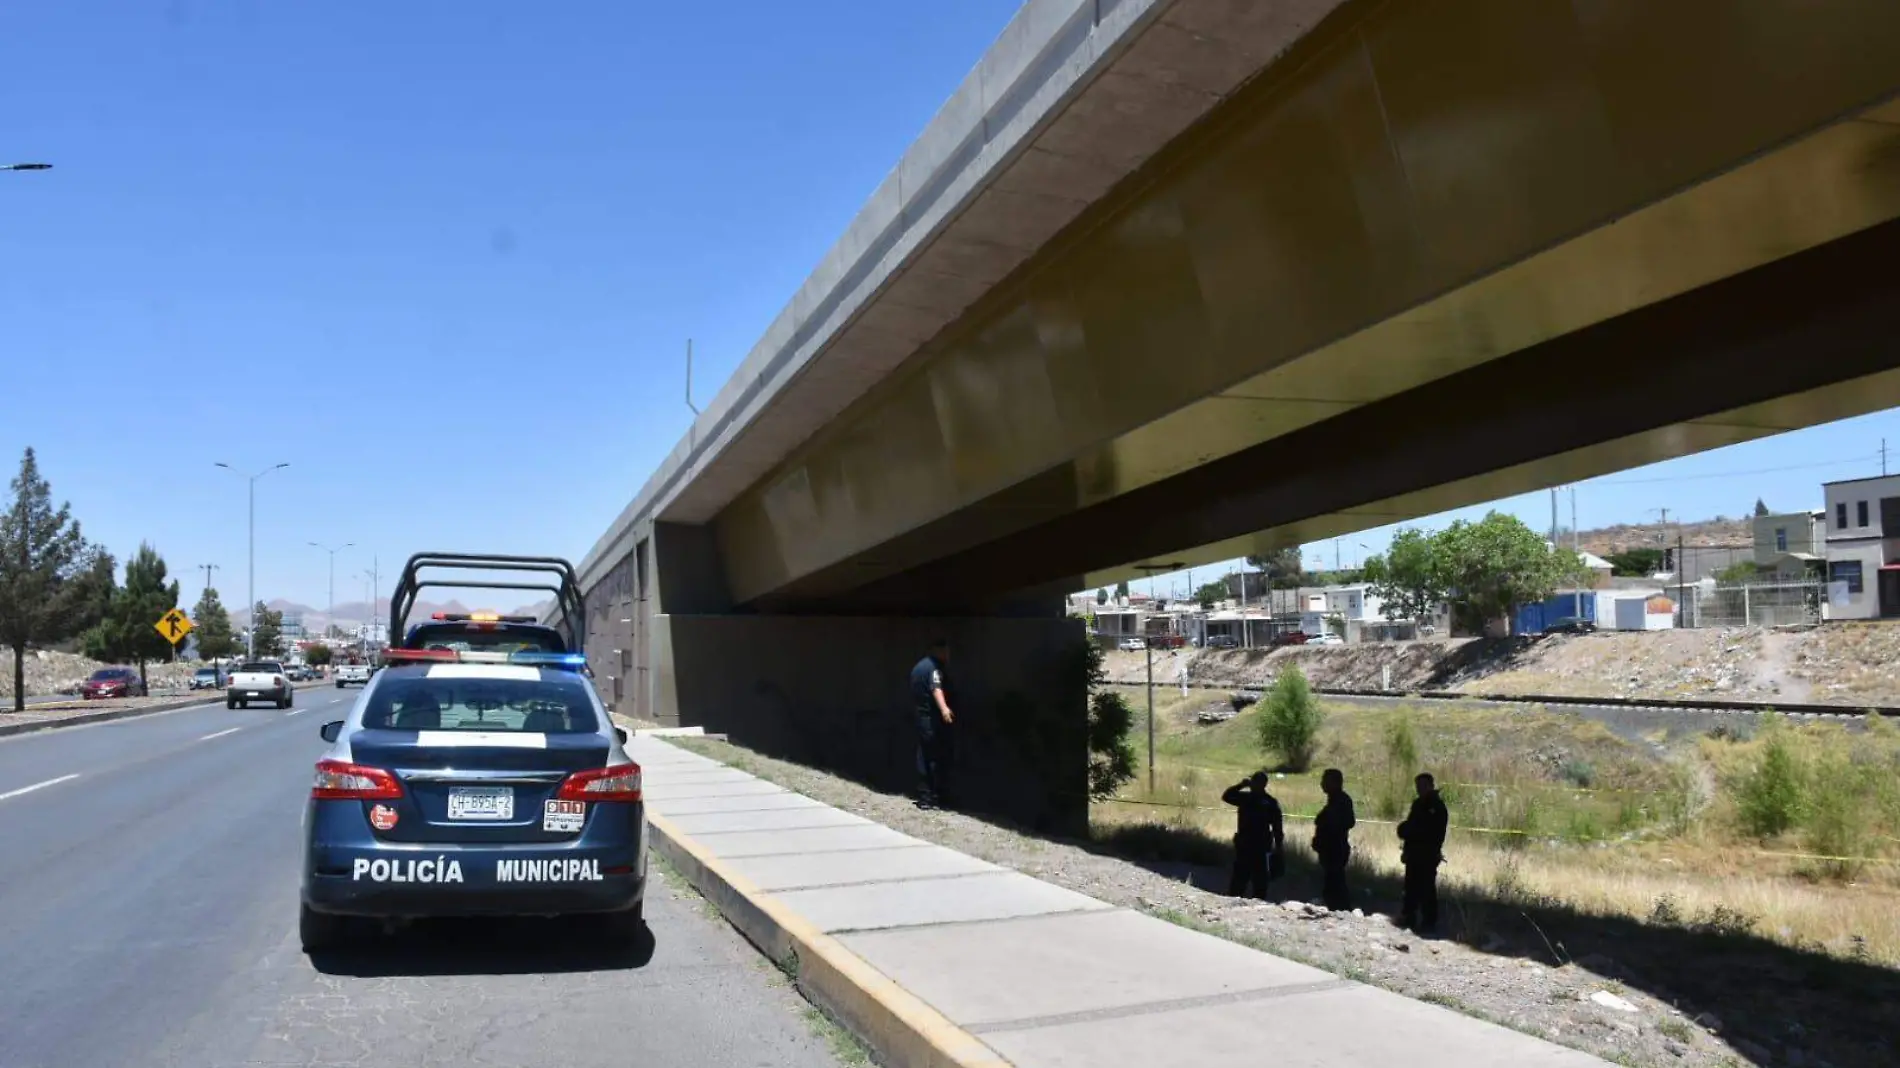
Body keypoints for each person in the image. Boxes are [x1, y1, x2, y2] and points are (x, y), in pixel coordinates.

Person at [1397, 772, 1449, 934]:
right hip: (1414, 853)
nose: (1420, 789)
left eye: (1423, 786)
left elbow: (1433, 833)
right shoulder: (1418, 804)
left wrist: (1411, 831)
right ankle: (1409, 917)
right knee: (1410, 886)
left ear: (1431, 786)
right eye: (1418, 786)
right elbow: (1411, 826)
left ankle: (1429, 922)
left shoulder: (1438, 807)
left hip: (1428, 854)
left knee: (1427, 888)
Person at [1222, 771, 1284, 899]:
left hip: (1260, 846)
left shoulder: (1269, 802)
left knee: (1259, 879)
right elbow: (1227, 796)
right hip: (1245, 844)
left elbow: (1277, 827)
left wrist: (1278, 847)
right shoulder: (1246, 798)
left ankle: (1257, 901)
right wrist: (1240, 785)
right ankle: (1235, 899)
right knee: (1241, 877)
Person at [909, 639, 955, 809]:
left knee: (924, 756)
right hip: (932, 720)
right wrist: (944, 709)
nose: (948, 656)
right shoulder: (934, 668)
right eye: (946, 652)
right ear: (939, 650)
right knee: (935, 757)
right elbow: (936, 688)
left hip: (921, 718)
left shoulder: (918, 667)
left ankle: (924, 796)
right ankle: (934, 797)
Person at [1312, 768, 1356, 910]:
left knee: (1336, 882)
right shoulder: (1333, 800)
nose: (1322, 784)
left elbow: (1348, 822)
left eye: (1326, 780)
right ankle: (1336, 909)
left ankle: (1342, 910)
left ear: (1335, 782)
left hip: (1336, 848)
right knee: (1331, 882)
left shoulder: (1342, 800)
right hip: (1329, 848)